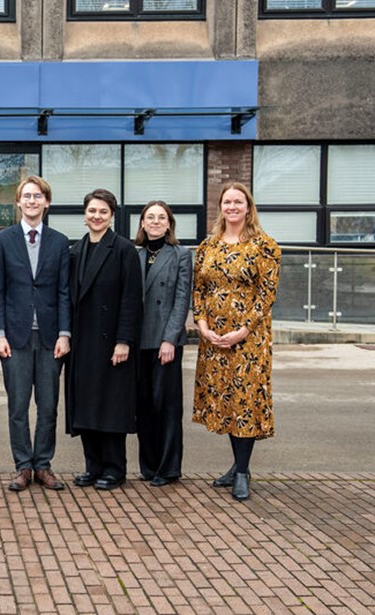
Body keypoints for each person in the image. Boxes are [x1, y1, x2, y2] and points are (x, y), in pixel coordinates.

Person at [192, 182, 280, 502]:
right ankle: (236, 465)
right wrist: (202, 325)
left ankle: (242, 472)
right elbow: (199, 290)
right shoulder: (208, 245)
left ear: (248, 207)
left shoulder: (264, 246)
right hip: (215, 339)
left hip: (249, 340)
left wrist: (243, 330)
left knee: (245, 400)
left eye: (238, 202)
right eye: (227, 202)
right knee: (227, 400)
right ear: (220, 207)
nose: (232, 207)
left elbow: (266, 295)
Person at [0, 175, 71, 492]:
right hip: (15, 337)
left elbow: (64, 292)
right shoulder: (2, 241)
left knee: (48, 406)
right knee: (18, 407)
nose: (32, 201)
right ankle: (23, 466)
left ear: (46, 202)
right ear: (18, 202)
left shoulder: (60, 242)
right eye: (27, 196)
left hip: (51, 338)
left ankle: (43, 465)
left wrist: (65, 333)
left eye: (38, 196)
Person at [66, 188, 142, 491]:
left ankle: (114, 469)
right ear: (85, 215)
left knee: (111, 406)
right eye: (92, 211)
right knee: (86, 405)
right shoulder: (75, 250)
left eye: (103, 212)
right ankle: (93, 466)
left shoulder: (123, 250)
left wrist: (124, 340)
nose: (96, 216)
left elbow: (132, 299)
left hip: (111, 342)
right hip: (82, 341)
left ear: (111, 216)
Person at [134, 201, 192, 488]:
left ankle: (168, 468)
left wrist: (170, 338)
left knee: (166, 407)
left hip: (165, 341)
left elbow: (182, 300)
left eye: (161, 217)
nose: (155, 222)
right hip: (138, 340)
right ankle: (148, 466)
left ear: (169, 224)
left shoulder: (181, 254)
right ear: (142, 223)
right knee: (143, 406)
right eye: (150, 217)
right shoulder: (135, 254)